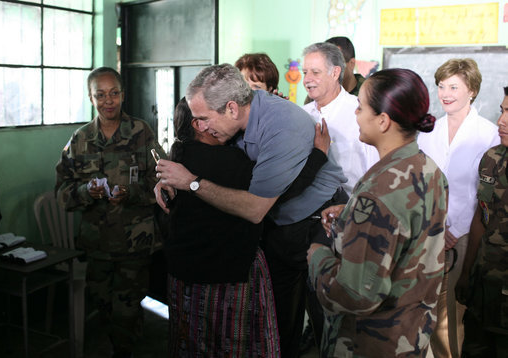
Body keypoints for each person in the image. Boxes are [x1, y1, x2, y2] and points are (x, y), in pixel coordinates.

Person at [155, 63, 347, 358]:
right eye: (195, 120)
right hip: (270, 229)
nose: (201, 126)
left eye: (204, 118)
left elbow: (256, 208)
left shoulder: (283, 126)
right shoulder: (227, 127)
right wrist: (166, 182)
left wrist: (190, 183)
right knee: (282, 320)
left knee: (320, 317)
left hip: (309, 223)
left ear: (232, 108)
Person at [307, 68, 448, 357]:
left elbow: (356, 295)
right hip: (412, 334)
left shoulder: (379, 192)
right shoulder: (428, 170)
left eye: (361, 107)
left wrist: (317, 257)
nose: (356, 114)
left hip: (370, 342)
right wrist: (352, 215)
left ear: (383, 120)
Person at [55, 67, 165, 358]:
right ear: (91, 98)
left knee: (127, 307)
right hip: (97, 244)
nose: (108, 101)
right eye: (100, 95)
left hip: (134, 242)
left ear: (122, 95)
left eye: (114, 93)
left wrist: (133, 193)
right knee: (103, 305)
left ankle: (124, 349)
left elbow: (162, 179)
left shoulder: (141, 132)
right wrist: (84, 193)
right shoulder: (80, 140)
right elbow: (62, 190)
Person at [162, 97, 280, 356]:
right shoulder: (233, 162)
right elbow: (274, 194)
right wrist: (317, 155)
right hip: (227, 280)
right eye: (219, 112)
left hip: (184, 278)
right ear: (199, 124)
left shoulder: (179, 154)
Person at [417, 58, 500, 357]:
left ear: (472, 91)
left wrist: (455, 230)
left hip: (465, 236)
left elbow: (483, 194)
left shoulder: (487, 133)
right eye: (441, 86)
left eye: (454, 86)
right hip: (428, 232)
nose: (445, 93)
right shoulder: (429, 131)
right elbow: (423, 183)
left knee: (453, 315)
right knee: (424, 311)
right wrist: (437, 226)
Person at [455, 86, 508, 357]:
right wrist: (466, 273)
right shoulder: (493, 159)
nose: (502, 120)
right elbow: (481, 215)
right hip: (483, 286)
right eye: (502, 110)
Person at [302, 42, 378, 196]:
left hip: (351, 210)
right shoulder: (301, 115)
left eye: (315, 72)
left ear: (335, 73)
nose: (307, 80)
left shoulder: (359, 113)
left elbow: (375, 174)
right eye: (305, 73)